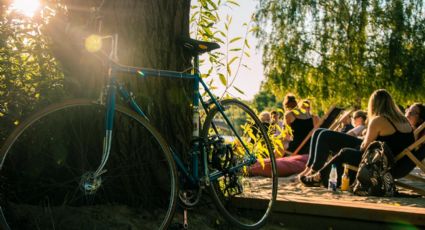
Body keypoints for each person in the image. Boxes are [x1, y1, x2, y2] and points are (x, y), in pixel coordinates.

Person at [300, 89, 415, 187]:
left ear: (374, 105)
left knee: (343, 150)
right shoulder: (404, 120)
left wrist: (361, 141)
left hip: (377, 161)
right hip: (387, 157)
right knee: (321, 132)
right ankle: (311, 169)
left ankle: (317, 175)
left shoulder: (379, 120)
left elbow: (364, 148)